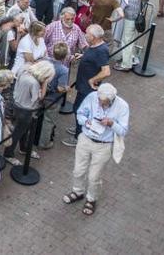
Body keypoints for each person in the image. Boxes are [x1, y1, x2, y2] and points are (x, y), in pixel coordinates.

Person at [63, 83, 129, 216]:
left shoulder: (122, 106)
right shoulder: (93, 96)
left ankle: (91, 199)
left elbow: (123, 130)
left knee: (94, 176)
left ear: (111, 100)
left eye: (104, 102)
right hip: (86, 139)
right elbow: (80, 113)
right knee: (78, 170)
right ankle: (78, 192)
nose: (100, 103)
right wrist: (85, 121)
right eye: (99, 100)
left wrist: (111, 123)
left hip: (103, 145)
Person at [63, 24, 111, 147]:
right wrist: (83, 56)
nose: (85, 35)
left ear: (94, 37)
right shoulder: (95, 46)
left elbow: (106, 71)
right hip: (83, 85)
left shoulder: (101, 50)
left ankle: (79, 136)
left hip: (87, 89)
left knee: (80, 110)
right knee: (78, 108)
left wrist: (92, 80)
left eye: (87, 34)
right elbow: (93, 57)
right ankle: (79, 128)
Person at [3, 60, 55, 166]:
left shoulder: (24, 69)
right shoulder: (34, 83)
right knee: (18, 133)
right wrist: (44, 84)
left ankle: (24, 148)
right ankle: (8, 154)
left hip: (17, 104)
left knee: (22, 131)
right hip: (26, 110)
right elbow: (39, 98)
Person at [38, 42, 70, 149]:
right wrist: (66, 88)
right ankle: (44, 143)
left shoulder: (45, 61)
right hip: (53, 99)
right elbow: (60, 88)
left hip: (41, 94)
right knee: (48, 121)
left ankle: (34, 139)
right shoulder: (63, 70)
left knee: (38, 117)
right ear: (65, 56)